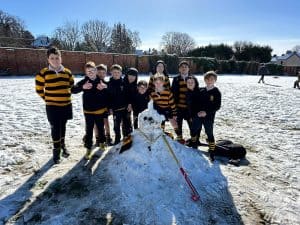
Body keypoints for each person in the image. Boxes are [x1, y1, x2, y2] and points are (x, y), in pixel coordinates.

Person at [35, 47, 74, 164]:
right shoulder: (43, 73)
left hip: (66, 105)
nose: (55, 60)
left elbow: (71, 86)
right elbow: (39, 89)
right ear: (48, 59)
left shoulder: (67, 72)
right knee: (55, 129)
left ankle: (63, 146)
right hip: (52, 107)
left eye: (57, 58)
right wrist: (48, 99)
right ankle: (56, 152)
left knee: (63, 126)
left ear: (61, 58)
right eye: (52, 58)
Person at [72, 61, 109, 159]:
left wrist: (105, 87)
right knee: (89, 130)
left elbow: (109, 90)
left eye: (92, 70)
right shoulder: (84, 81)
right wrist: (82, 87)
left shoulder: (101, 81)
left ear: (96, 71)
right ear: (86, 72)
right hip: (88, 111)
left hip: (100, 111)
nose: (90, 72)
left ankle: (102, 142)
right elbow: (73, 90)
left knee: (101, 128)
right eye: (88, 71)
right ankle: (88, 148)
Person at [187, 71, 221, 161]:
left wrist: (206, 112)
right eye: (207, 79)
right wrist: (196, 113)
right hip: (198, 116)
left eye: (212, 79)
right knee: (194, 130)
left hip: (208, 117)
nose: (209, 81)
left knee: (209, 133)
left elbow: (217, 106)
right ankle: (194, 144)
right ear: (205, 80)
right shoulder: (201, 90)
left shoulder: (216, 92)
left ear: (215, 80)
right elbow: (194, 102)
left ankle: (212, 151)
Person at [107, 64, 132, 146]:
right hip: (115, 109)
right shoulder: (109, 84)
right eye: (114, 72)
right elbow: (108, 97)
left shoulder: (124, 82)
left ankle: (126, 138)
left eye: (118, 72)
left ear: (121, 73)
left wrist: (129, 104)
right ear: (111, 73)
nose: (116, 74)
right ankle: (117, 138)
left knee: (126, 124)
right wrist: (110, 108)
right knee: (116, 125)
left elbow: (128, 94)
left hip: (125, 108)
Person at [150, 73, 178, 137]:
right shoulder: (153, 93)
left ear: (163, 83)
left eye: (160, 83)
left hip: (168, 108)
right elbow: (151, 103)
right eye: (156, 83)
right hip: (159, 109)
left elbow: (172, 104)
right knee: (160, 120)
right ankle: (161, 132)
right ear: (154, 83)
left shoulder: (167, 92)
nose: (158, 85)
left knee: (173, 122)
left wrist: (174, 113)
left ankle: (179, 135)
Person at [171, 61, 192, 144]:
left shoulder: (192, 78)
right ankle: (179, 137)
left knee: (191, 123)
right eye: (182, 67)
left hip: (189, 107)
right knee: (178, 123)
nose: (184, 68)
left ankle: (193, 138)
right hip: (178, 106)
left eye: (185, 67)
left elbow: (195, 92)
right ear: (179, 69)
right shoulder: (175, 79)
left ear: (188, 69)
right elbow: (173, 92)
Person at [95, 64, 113, 146]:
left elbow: (110, 96)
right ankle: (97, 138)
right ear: (96, 72)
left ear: (106, 73)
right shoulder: (93, 83)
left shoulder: (107, 83)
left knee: (106, 122)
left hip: (105, 107)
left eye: (103, 72)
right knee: (96, 123)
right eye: (99, 72)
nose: (101, 74)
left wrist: (110, 107)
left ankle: (108, 137)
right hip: (95, 108)